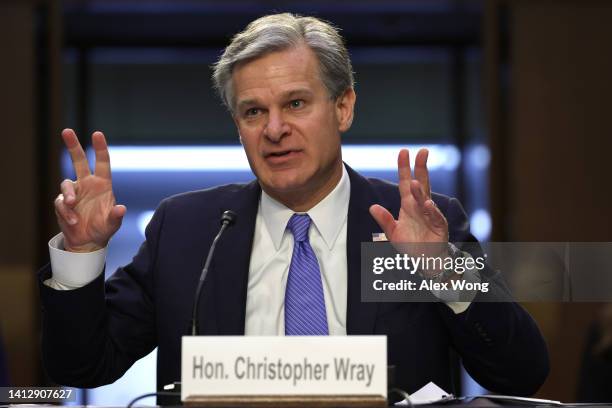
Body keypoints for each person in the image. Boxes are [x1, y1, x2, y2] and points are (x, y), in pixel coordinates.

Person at [39, 13, 549, 400]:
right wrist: (81, 255)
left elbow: (522, 373)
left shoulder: (416, 222)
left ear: (343, 107)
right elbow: (81, 369)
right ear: (238, 126)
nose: (275, 129)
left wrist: (443, 273)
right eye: (254, 111)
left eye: (296, 104)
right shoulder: (188, 230)